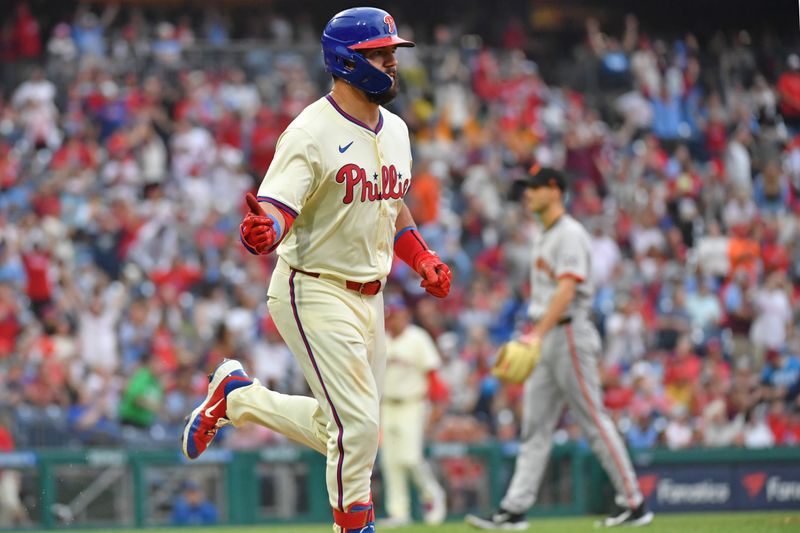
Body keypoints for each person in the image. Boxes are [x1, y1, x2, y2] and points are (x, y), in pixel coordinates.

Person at [181, 8, 452, 533]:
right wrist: (268, 229)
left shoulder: (395, 129)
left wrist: (422, 257)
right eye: (382, 53)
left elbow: (392, 203)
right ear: (347, 61)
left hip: (370, 296)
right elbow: (277, 207)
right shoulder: (309, 131)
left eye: (392, 52)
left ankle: (238, 398)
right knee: (359, 424)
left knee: (350, 429)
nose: (393, 63)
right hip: (313, 287)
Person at [466, 167, 653, 530]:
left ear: (555, 189)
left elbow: (567, 289)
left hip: (568, 331)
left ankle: (635, 502)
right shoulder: (545, 235)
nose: (528, 195)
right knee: (535, 427)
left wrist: (536, 334)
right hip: (547, 334)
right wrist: (537, 334)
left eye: (535, 188)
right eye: (527, 189)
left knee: (593, 419)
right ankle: (514, 509)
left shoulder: (569, 234)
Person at [378, 296, 447, 528]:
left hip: (412, 403)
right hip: (386, 405)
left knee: (410, 458)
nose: (392, 320)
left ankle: (432, 496)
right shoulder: (381, 339)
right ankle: (399, 512)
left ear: (405, 315)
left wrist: (437, 407)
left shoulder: (418, 338)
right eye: (389, 315)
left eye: (396, 315)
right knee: (390, 462)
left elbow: (433, 377)